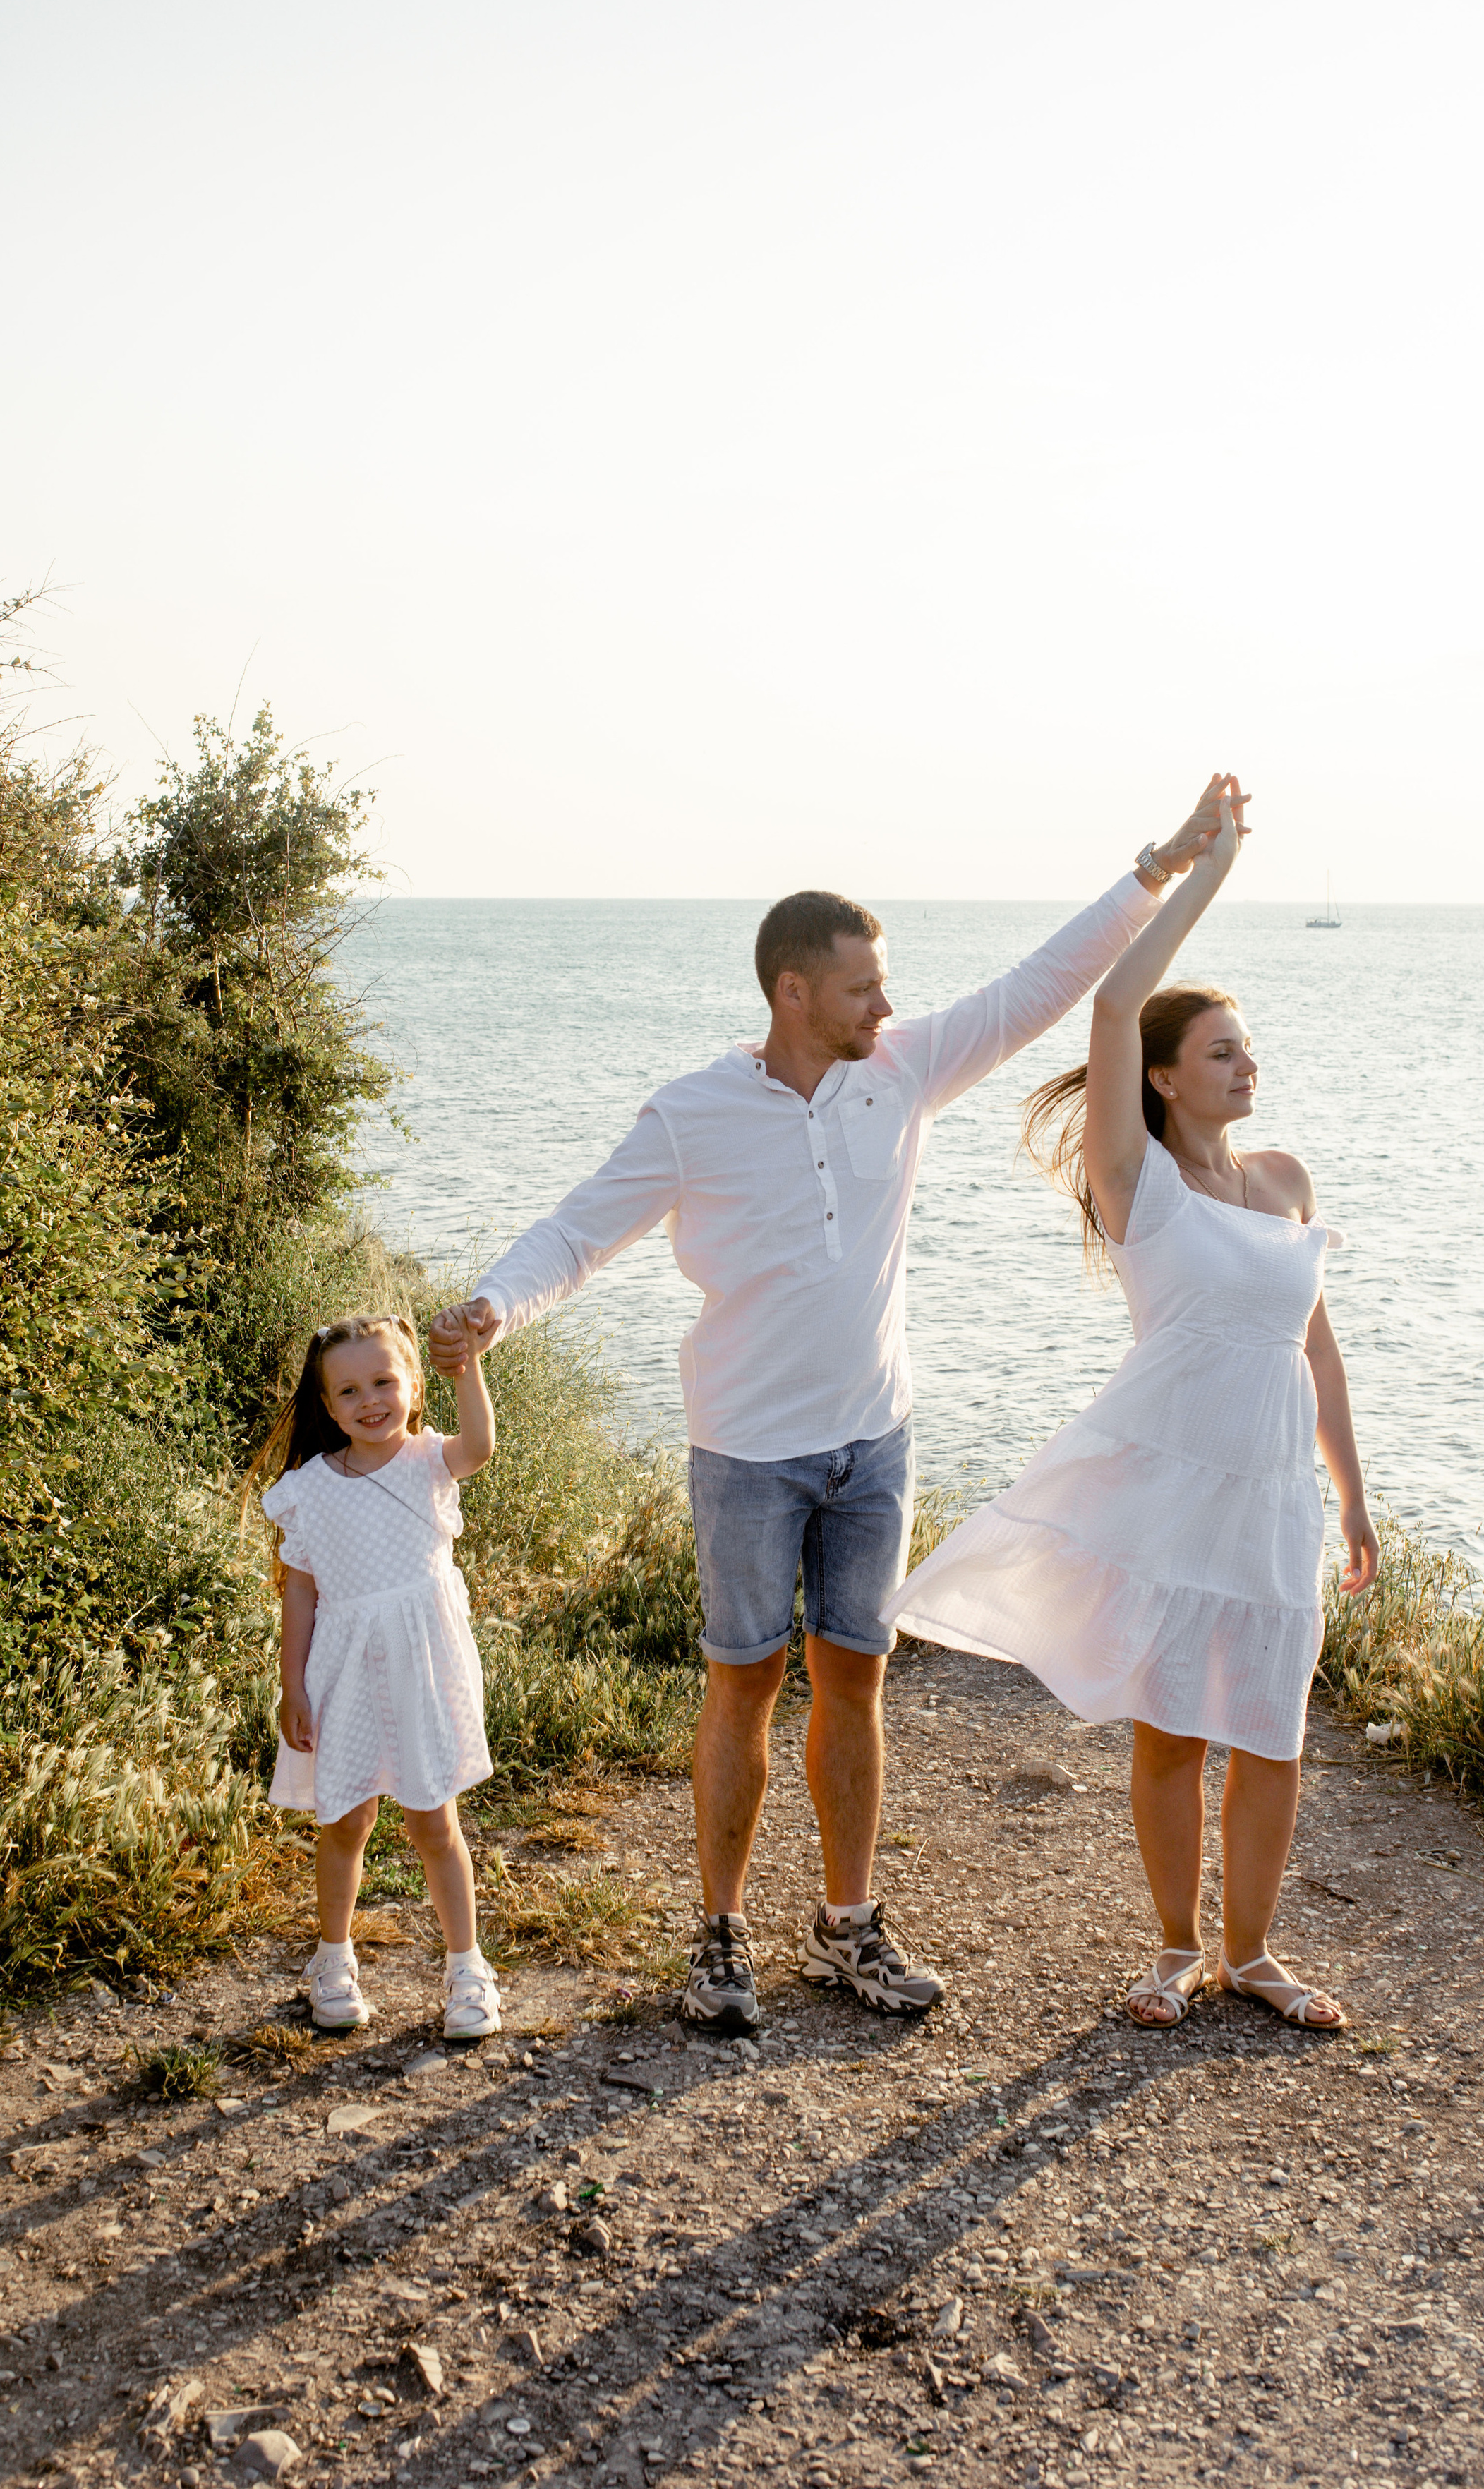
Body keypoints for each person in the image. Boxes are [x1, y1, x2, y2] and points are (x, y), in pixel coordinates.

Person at [428, 778, 1238, 2034]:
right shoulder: (693, 1112)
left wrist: (1154, 867)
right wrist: (495, 1305)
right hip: (747, 1453)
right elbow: (581, 1231)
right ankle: (718, 1938)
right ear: (792, 991)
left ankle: (850, 1926)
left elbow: (1040, 986)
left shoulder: (901, 1072)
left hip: (875, 1443)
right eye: (864, 986)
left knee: (855, 1680)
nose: (887, 1004)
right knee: (743, 1687)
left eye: (887, 984)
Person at [881, 781, 1377, 2032]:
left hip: (1274, 1498)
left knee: (1271, 1732)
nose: (1245, 1061)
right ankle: (1172, 1948)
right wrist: (1205, 873)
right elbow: (1110, 1000)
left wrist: (1356, 1498)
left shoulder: (1283, 1180)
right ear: (1161, 1079)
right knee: (1172, 1734)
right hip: (1168, 1489)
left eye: (1246, 1045)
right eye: (1220, 1048)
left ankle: (1252, 1956)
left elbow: (1316, 1349)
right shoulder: (1137, 1186)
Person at [253, 1310, 505, 2039]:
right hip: (344, 1671)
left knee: (434, 1823)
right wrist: (291, 1685)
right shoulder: (311, 1488)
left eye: (384, 1382)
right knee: (346, 1821)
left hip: (422, 1667)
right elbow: (298, 1593)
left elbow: (481, 1446)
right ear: (327, 1407)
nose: (370, 1401)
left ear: (413, 1384)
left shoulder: (430, 1460)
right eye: (350, 1391)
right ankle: (332, 1960)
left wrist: (472, 1371)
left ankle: (467, 1969)